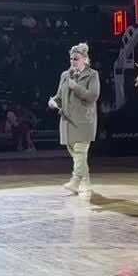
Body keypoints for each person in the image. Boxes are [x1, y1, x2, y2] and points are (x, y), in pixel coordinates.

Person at [49, 43, 100, 193]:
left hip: (84, 121)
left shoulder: (92, 75)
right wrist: (53, 102)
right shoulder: (65, 75)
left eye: (76, 58)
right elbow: (59, 96)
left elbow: (93, 96)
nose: (73, 61)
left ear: (84, 59)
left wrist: (76, 87)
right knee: (75, 154)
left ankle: (75, 181)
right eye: (71, 58)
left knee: (80, 152)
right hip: (67, 121)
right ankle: (86, 181)